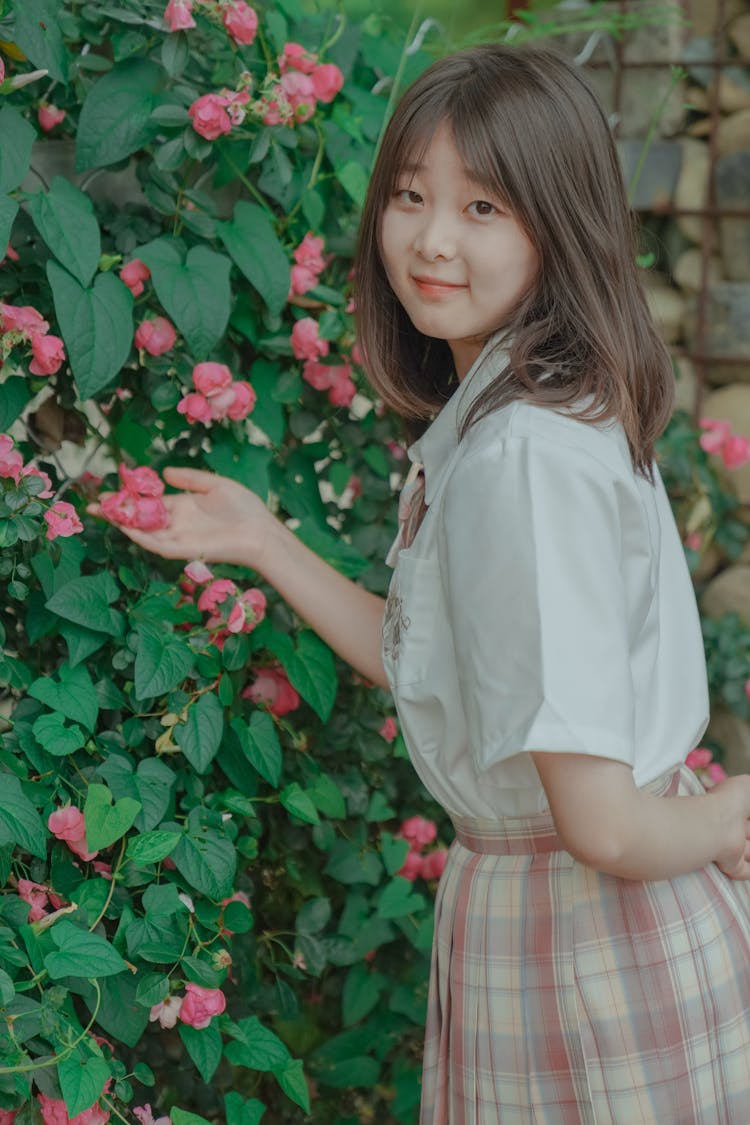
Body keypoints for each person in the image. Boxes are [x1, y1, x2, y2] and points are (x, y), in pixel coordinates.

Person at [91, 43, 750, 1124]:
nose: (431, 240)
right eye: (409, 196)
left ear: (559, 225)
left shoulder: (523, 455)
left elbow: (606, 828)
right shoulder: (525, 417)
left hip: (587, 932)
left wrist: (729, 818)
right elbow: (444, 667)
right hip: (584, 922)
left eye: (484, 207)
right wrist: (264, 540)